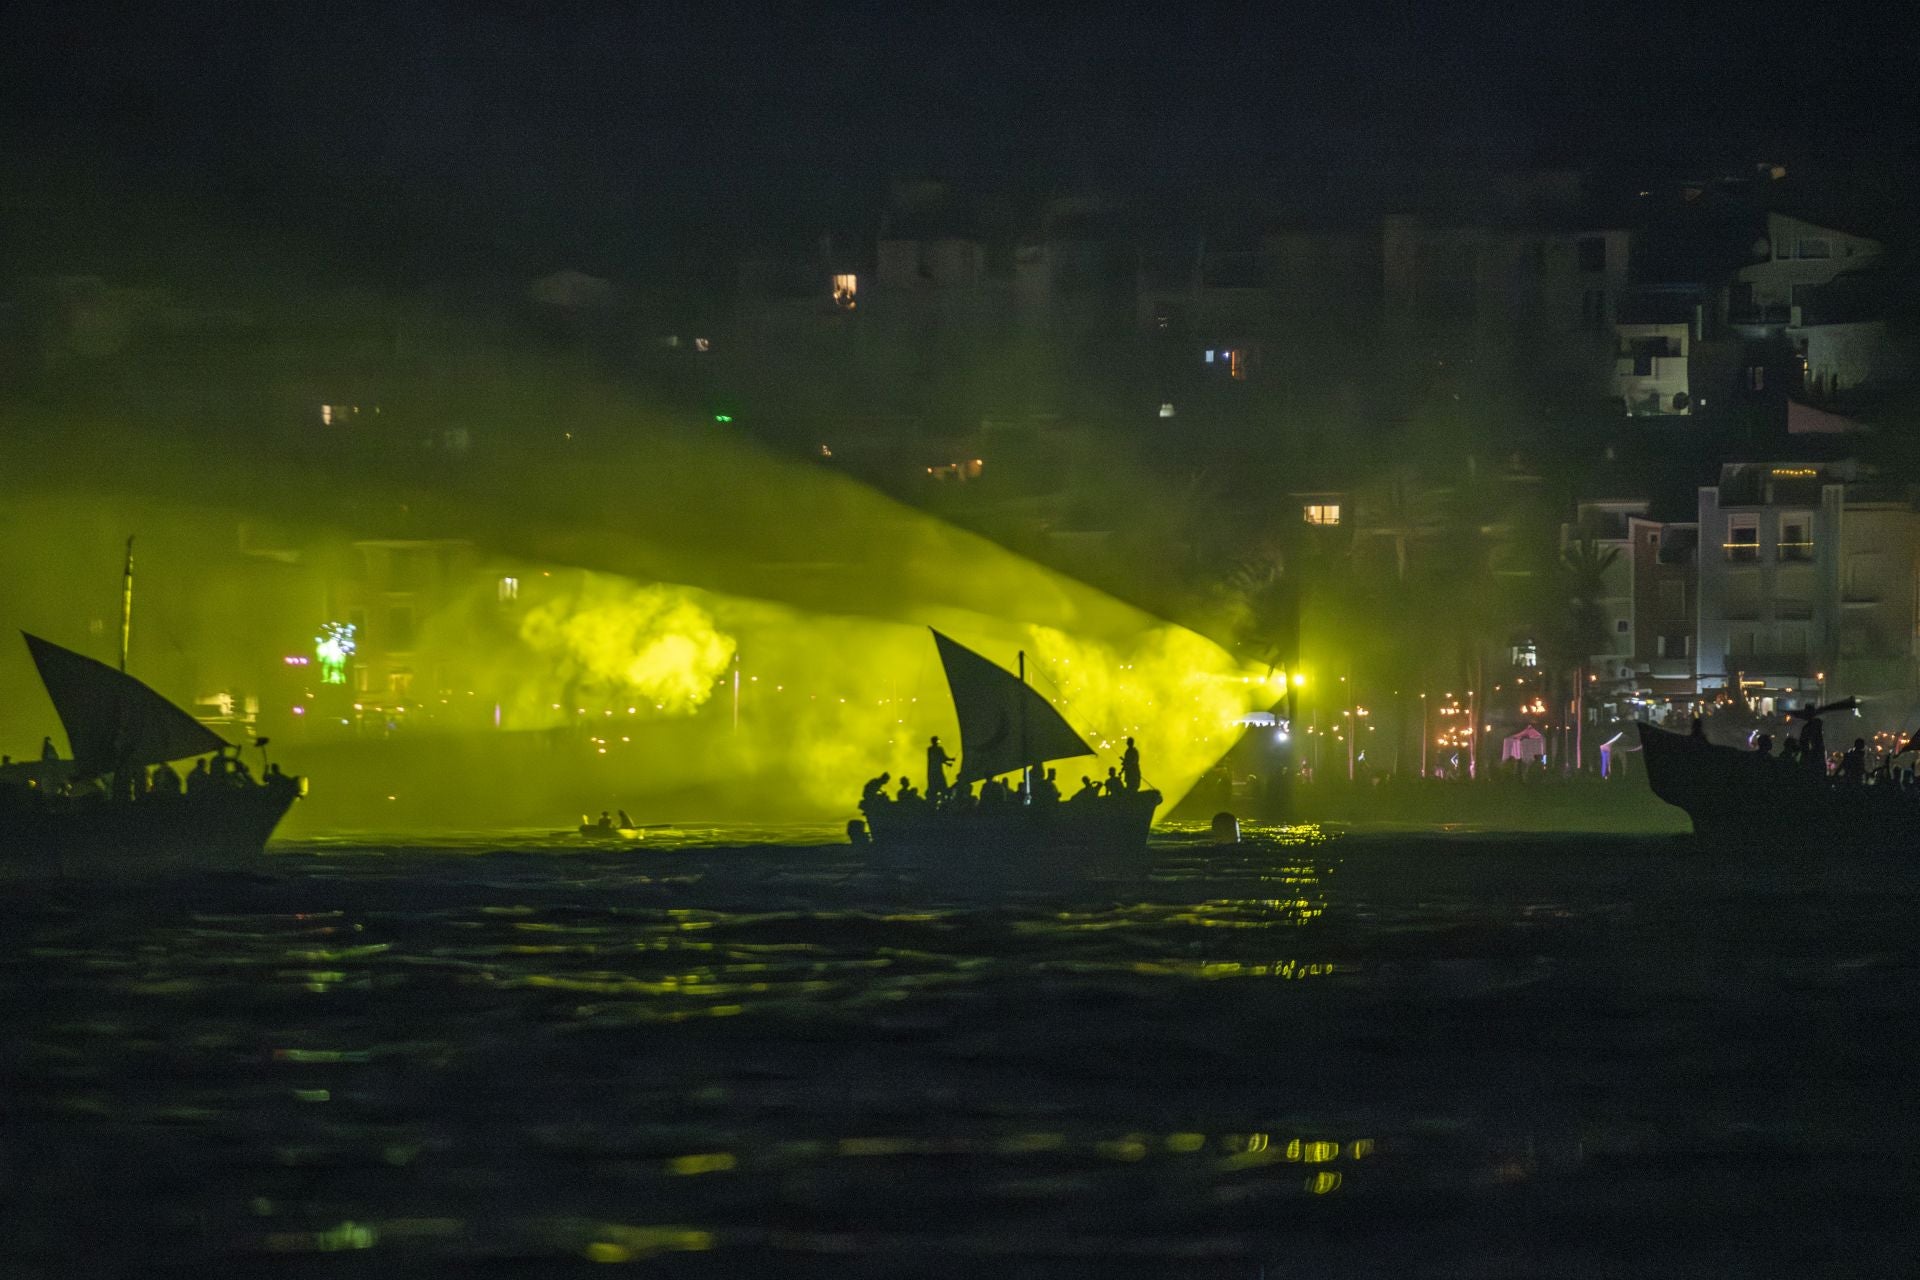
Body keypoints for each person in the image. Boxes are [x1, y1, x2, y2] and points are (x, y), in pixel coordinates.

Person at [925, 736, 954, 801]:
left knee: (934, 785)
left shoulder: (930, 749)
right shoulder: (936, 749)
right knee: (941, 785)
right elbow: (942, 758)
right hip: (936, 771)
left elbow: (941, 758)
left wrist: (949, 761)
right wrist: (950, 761)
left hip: (932, 771)